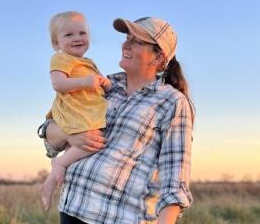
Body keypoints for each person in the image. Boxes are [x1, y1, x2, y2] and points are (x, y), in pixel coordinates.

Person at [40, 16, 194, 224]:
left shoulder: (172, 102)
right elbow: (50, 132)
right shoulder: (104, 84)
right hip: (71, 209)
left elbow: (174, 181)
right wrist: (68, 134)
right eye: (127, 38)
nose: (125, 44)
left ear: (158, 58)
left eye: (137, 41)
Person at [40, 11, 111, 211]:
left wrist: (105, 84)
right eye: (69, 35)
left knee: (81, 146)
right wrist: (85, 82)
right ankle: (60, 163)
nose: (77, 38)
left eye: (82, 33)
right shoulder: (60, 59)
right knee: (91, 140)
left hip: (87, 111)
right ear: (56, 43)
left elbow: (101, 83)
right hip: (73, 110)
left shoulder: (89, 63)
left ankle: (49, 184)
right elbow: (58, 84)